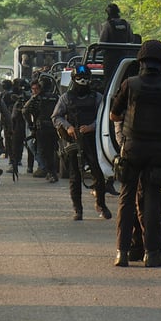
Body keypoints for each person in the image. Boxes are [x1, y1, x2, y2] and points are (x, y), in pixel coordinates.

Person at [108, 40, 161, 268]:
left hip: (132, 149)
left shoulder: (129, 84)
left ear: (140, 62)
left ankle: (122, 253)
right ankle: (151, 254)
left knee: (126, 199)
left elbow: (114, 116)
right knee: (151, 200)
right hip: (157, 151)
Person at [52, 65, 112, 221]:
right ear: (74, 79)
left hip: (93, 141)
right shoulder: (66, 98)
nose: (83, 81)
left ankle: (101, 205)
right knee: (74, 176)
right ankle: (77, 209)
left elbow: (104, 116)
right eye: (79, 78)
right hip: (74, 141)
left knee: (98, 174)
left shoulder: (97, 97)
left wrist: (92, 126)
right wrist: (69, 127)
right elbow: (56, 117)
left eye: (86, 78)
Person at [23, 75, 60, 182]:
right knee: (52, 150)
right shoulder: (56, 97)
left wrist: (30, 124)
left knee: (44, 152)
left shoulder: (37, 98)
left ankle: (51, 173)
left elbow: (25, 110)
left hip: (41, 128)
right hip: (54, 128)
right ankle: (51, 172)